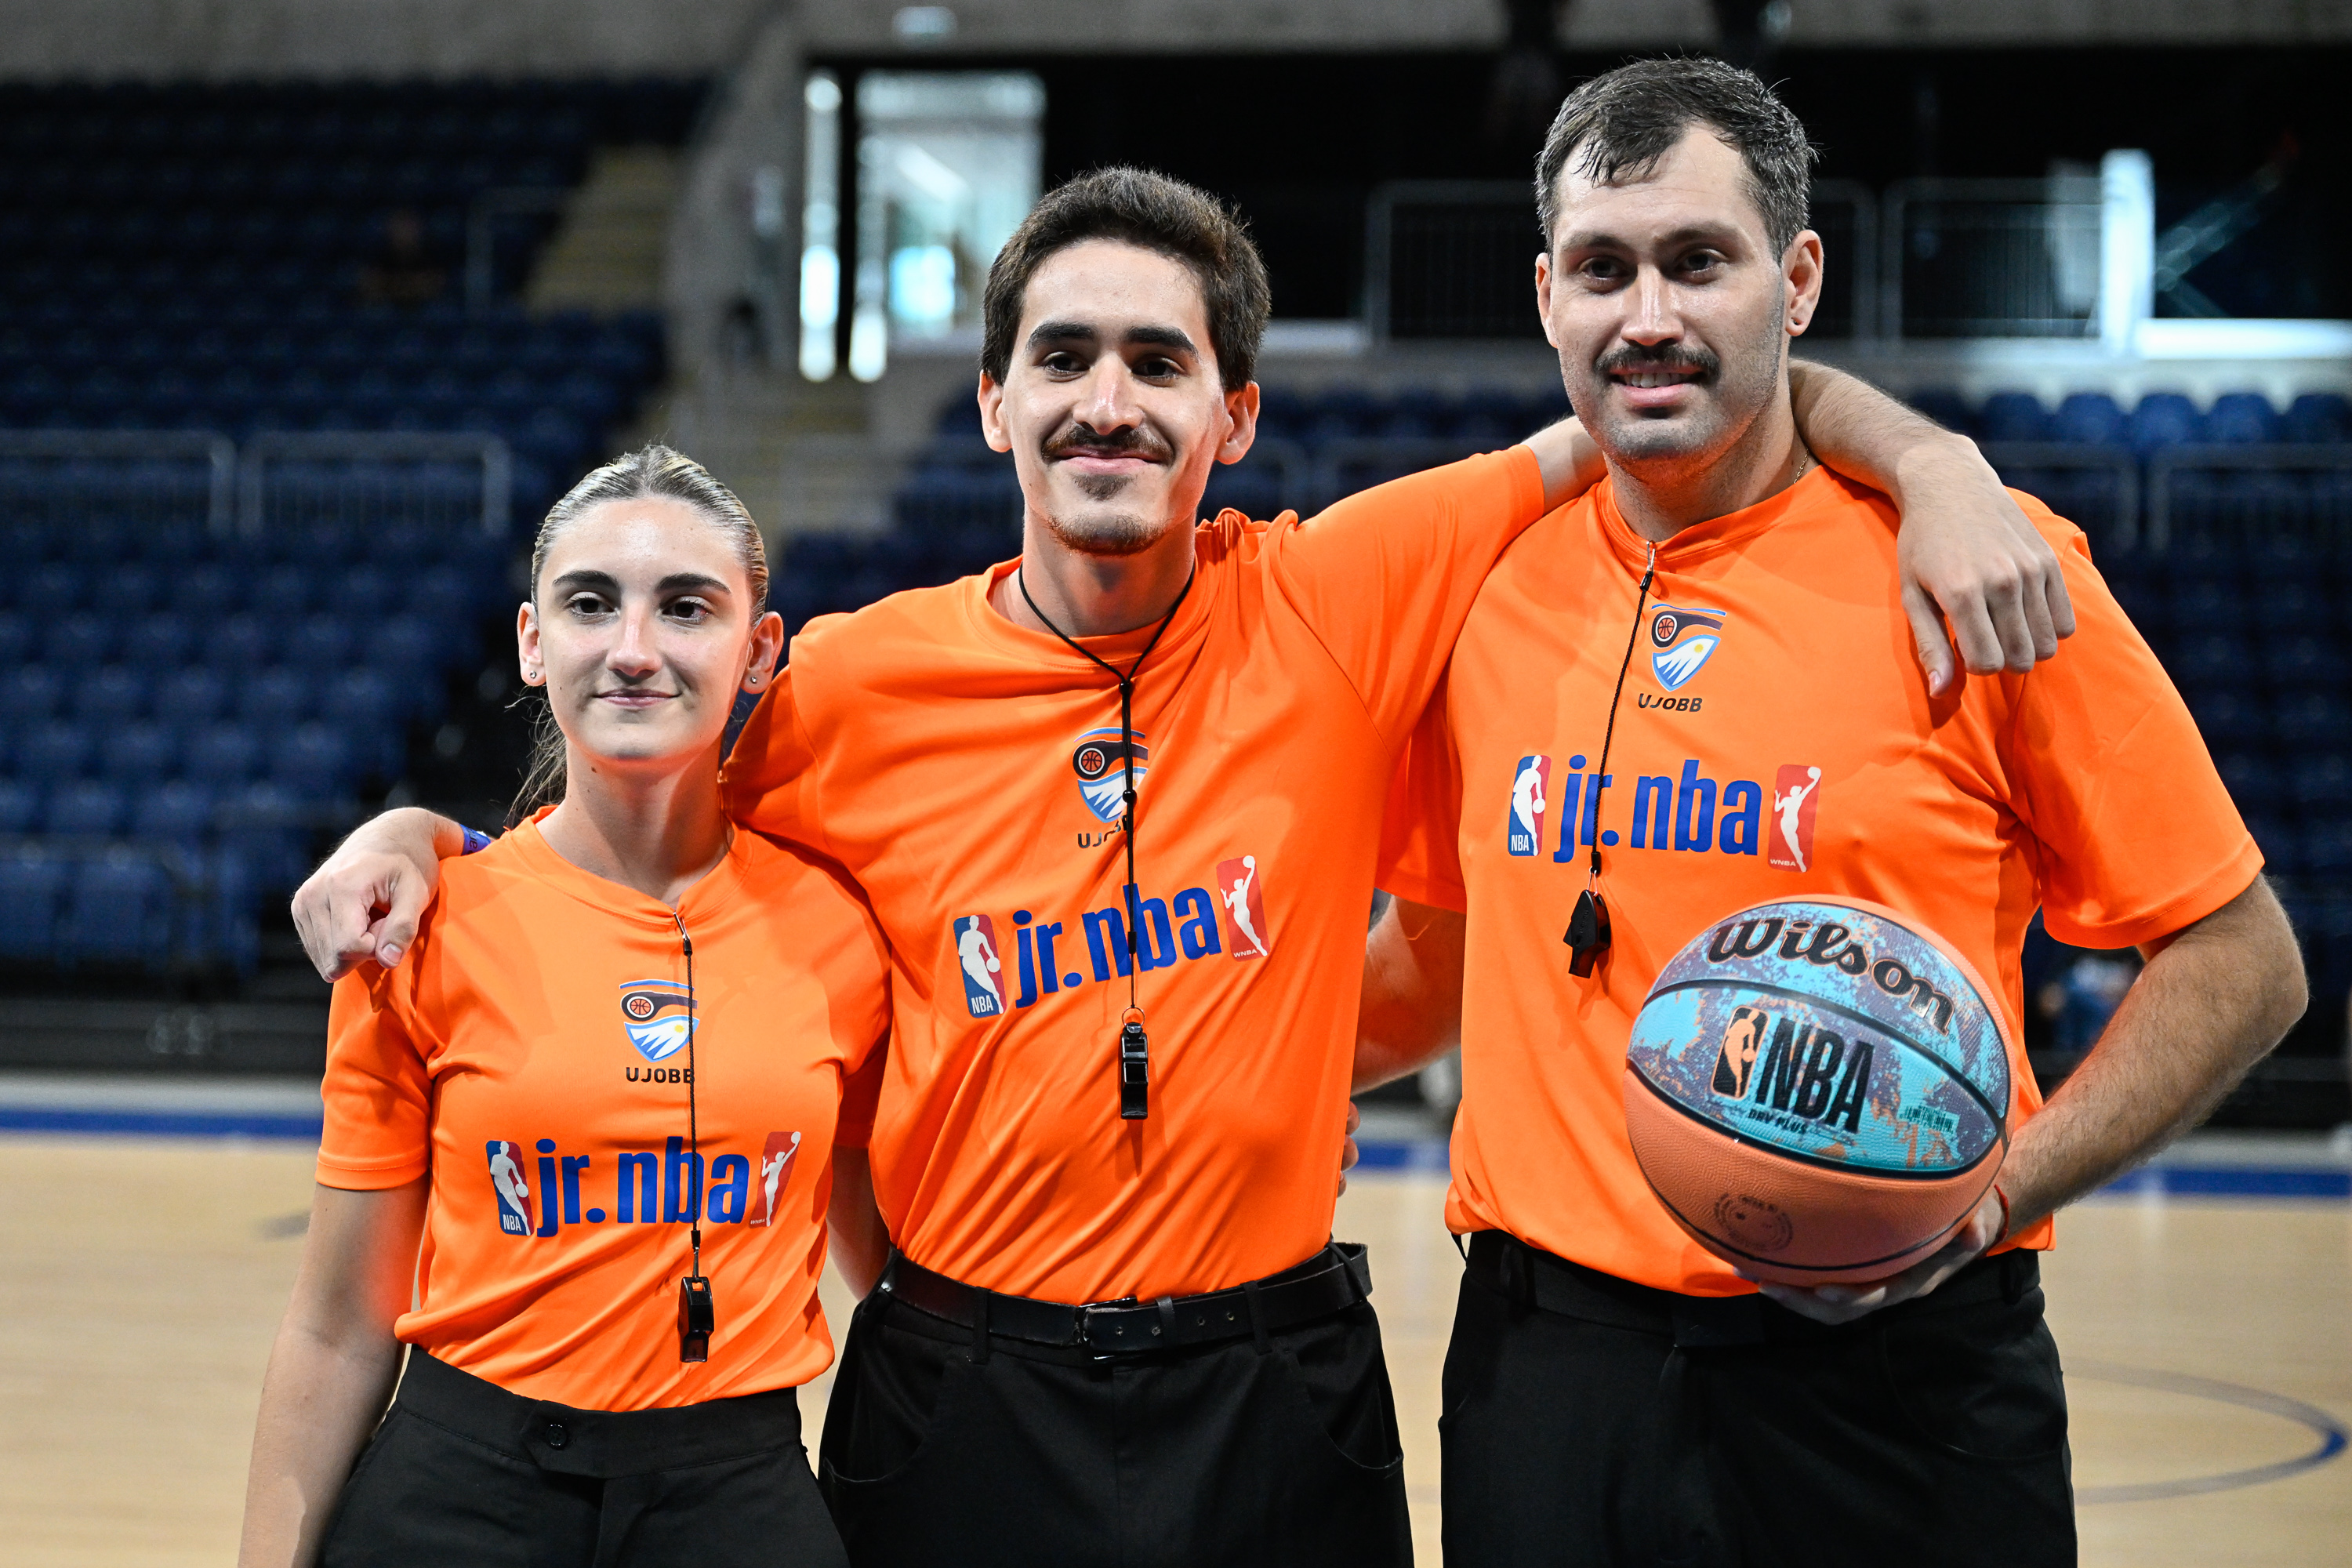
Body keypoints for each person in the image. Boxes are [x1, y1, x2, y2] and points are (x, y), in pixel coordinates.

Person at [289, 169, 2069, 1565]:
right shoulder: (840, 682)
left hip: (1272, 1386)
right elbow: (617, 787)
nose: (1107, 401)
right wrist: (428, 844)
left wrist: (1928, 456)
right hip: (958, 1388)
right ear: (993, 406)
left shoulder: (1340, 592)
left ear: (1238, 416)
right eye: (1063, 358)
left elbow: (1657, 385)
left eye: (1160, 364)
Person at [1356, 59, 2310, 1566]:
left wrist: (1993, 1200)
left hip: (1897, 1377)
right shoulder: (1484, 583)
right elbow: (1435, 958)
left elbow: (2244, 959)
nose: (1649, 315)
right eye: (1604, 268)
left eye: (1699, 260)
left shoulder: (1983, 570)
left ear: (1797, 279)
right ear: (1547, 297)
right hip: (1552, 1371)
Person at [238, 447, 891, 1568]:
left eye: (687, 608)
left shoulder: (842, 932)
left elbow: (886, 1268)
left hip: (736, 1495)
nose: (634, 649)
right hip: (462, 1490)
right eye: (591, 604)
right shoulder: (420, 927)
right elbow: (339, 1326)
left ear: (759, 651)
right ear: (535, 643)